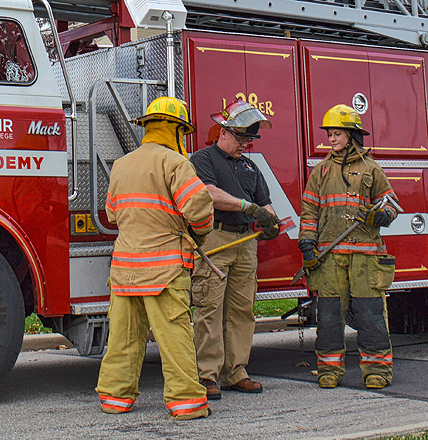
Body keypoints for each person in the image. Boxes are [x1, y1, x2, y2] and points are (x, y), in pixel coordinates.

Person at [96, 96, 215, 421]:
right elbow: (199, 210)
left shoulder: (122, 165)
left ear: (148, 127)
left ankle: (114, 399)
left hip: (124, 272)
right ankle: (187, 403)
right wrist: (199, 234)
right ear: (176, 129)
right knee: (175, 338)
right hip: (164, 272)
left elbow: (111, 214)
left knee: (122, 339)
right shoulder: (176, 163)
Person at [298, 104, 400, 389]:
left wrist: (382, 216)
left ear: (352, 135)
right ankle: (329, 370)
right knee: (329, 315)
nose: (331, 138)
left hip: (366, 257)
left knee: (370, 314)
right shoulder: (321, 171)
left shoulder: (371, 168)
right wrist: (307, 242)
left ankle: (377, 370)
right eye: (329, 133)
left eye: (337, 133)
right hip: (331, 258)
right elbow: (309, 211)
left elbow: (391, 206)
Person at [188, 98, 281, 399]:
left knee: (242, 309)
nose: (245, 144)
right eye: (241, 138)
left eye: (249, 140)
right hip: (214, 239)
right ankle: (207, 376)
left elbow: (265, 203)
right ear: (223, 132)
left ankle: (236, 372)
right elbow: (209, 194)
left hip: (245, 243)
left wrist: (272, 222)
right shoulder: (203, 159)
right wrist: (249, 207)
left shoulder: (250, 166)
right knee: (209, 308)